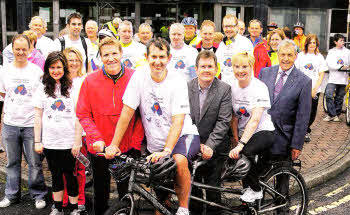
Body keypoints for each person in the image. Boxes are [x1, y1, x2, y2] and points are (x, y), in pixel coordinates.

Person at [109, 38, 200, 215]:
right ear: (146, 57)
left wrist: (167, 151)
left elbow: (179, 121)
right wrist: (114, 144)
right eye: (153, 56)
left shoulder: (177, 80)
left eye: (162, 56)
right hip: (155, 143)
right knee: (160, 203)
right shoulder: (139, 76)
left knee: (179, 160)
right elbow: (126, 113)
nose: (157, 61)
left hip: (183, 135)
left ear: (169, 58)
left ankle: (183, 208)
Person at [76, 37, 144, 215]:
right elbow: (83, 113)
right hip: (99, 146)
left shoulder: (135, 76)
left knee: (125, 192)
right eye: (106, 54)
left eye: (114, 53)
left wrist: (136, 144)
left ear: (121, 53)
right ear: (100, 57)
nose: (111, 58)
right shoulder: (89, 81)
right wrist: (95, 138)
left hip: (126, 146)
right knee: (100, 190)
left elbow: (141, 114)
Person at [259, 40, 311, 213]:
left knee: (282, 184)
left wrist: (297, 144)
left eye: (290, 55)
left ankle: (281, 211)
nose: (286, 58)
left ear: (295, 56)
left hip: (284, 139)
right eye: (283, 54)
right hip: (262, 136)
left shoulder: (304, 81)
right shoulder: (264, 73)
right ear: (277, 55)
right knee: (258, 179)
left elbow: (303, 116)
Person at [0, 34, 47, 209]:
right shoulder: (5, 71)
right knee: (12, 162)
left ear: (30, 50)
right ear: (12, 49)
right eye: (17, 49)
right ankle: (11, 195)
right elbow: (4, 95)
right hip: (10, 123)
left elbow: (41, 97)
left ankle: (38, 194)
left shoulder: (36, 71)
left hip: (30, 124)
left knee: (34, 162)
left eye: (24, 49)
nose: (20, 52)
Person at [33, 51, 81, 215]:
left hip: (68, 142)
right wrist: (37, 141)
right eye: (52, 67)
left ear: (64, 68)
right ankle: (58, 207)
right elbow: (38, 116)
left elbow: (79, 117)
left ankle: (74, 208)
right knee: (56, 175)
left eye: (59, 67)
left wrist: (77, 142)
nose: (55, 71)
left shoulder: (73, 87)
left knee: (70, 175)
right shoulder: (42, 88)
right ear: (47, 69)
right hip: (50, 141)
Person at [188, 50, 232, 215]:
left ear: (216, 68)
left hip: (216, 148)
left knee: (213, 187)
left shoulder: (224, 89)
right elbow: (184, 117)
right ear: (196, 69)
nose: (206, 70)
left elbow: (224, 121)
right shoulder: (187, 87)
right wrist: (195, 143)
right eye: (203, 66)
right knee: (194, 188)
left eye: (210, 66)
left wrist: (209, 146)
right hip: (193, 145)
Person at [228, 52, 274, 203]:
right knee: (242, 164)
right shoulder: (232, 86)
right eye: (236, 66)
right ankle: (249, 200)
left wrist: (240, 144)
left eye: (244, 66)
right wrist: (235, 139)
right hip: (244, 134)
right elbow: (234, 117)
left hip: (263, 131)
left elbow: (255, 119)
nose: (240, 70)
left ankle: (256, 189)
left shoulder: (259, 87)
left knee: (245, 153)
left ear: (251, 67)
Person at [62, 47, 88, 212]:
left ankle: (80, 199)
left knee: (79, 168)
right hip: (62, 132)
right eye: (70, 59)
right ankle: (65, 198)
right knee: (64, 168)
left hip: (81, 132)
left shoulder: (85, 80)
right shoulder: (59, 81)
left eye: (76, 59)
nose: (73, 63)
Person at [295, 34, 327, 142]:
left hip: (314, 90)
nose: (312, 44)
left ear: (316, 44)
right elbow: (296, 72)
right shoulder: (300, 56)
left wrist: (315, 89)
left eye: (314, 42)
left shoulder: (319, 57)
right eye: (310, 42)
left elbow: (321, 74)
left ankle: (306, 130)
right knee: (301, 112)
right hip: (301, 89)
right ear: (306, 43)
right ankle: (301, 132)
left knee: (312, 113)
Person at [216, 14, 253, 82]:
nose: (228, 29)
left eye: (231, 26)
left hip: (240, 86)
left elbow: (249, 69)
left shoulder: (245, 43)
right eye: (226, 26)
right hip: (225, 87)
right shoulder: (222, 44)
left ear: (237, 27)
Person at [324, 34, 350, 122]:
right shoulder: (331, 51)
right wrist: (341, 67)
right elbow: (329, 64)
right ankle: (332, 114)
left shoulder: (347, 52)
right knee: (329, 95)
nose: (343, 42)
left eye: (343, 40)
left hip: (343, 78)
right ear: (335, 42)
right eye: (341, 40)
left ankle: (336, 115)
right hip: (333, 78)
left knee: (339, 97)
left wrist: (347, 67)